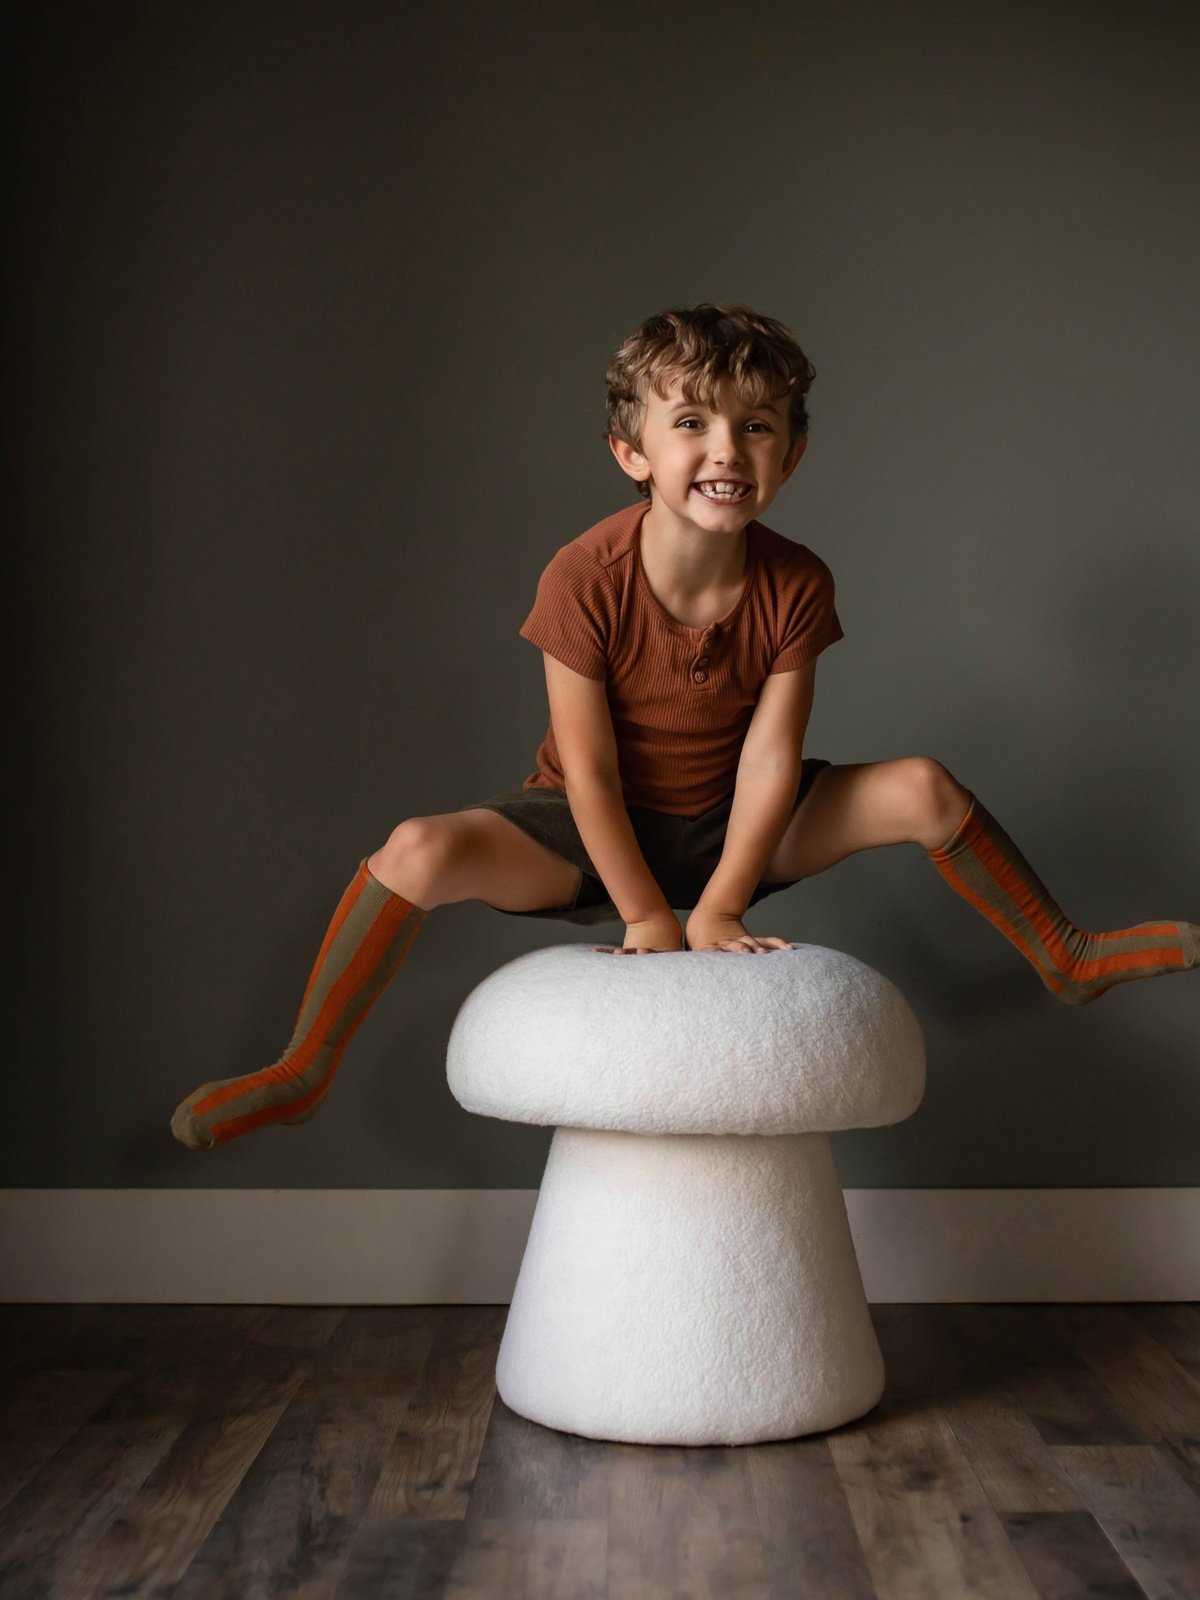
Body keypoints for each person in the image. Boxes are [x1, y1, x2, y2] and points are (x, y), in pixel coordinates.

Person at [171, 303, 1198, 1152]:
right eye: (694, 423)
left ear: (792, 454)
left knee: (922, 785)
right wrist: (646, 912)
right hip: (580, 827)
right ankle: (302, 1067)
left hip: (736, 818)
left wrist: (718, 905)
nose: (727, 448)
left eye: (757, 425)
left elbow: (769, 756)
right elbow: (588, 767)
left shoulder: (797, 580)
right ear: (632, 450)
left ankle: (1062, 955)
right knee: (417, 848)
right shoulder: (585, 574)